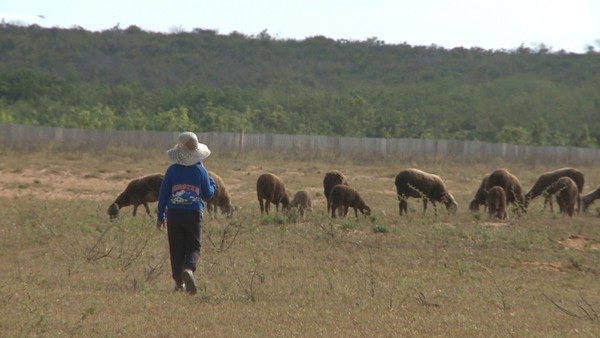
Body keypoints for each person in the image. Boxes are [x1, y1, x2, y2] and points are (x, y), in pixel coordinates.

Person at [156, 132, 216, 295]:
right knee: (194, 247)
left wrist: (160, 215)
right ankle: (189, 269)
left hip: (174, 213)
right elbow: (208, 195)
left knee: (176, 248)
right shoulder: (200, 171)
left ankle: (178, 283)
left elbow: (163, 194)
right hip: (193, 213)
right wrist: (212, 182)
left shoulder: (172, 170)